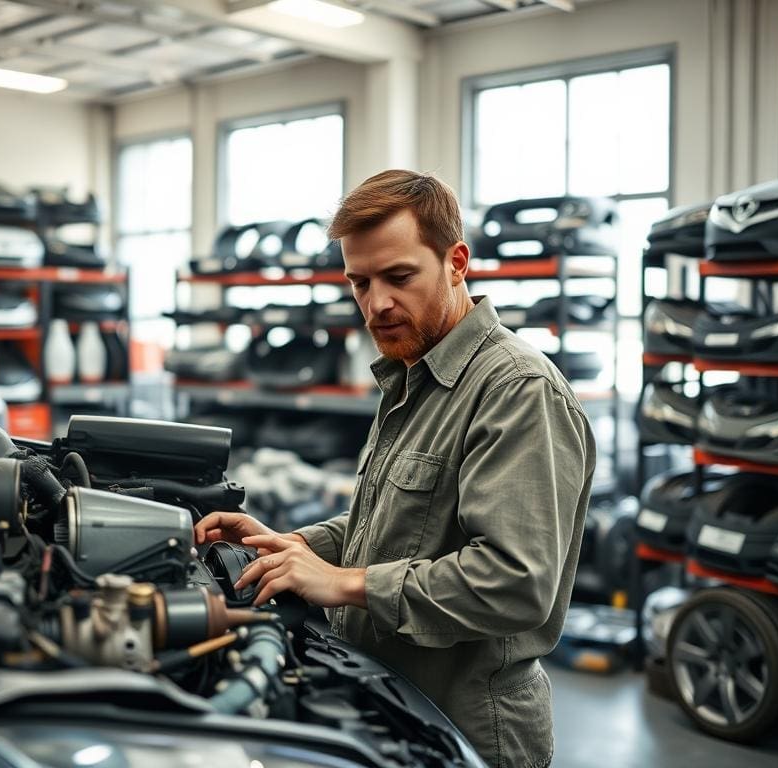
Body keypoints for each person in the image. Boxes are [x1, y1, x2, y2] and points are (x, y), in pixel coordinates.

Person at [195, 169, 595, 768]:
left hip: (466, 734)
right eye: (359, 282)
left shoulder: (517, 391)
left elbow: (516, 582)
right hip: (390, 701)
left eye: (399, 277)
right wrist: (294, 547)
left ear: (456, 261)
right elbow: (394, 524)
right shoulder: (411, 373)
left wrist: (346, 584)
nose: (376, 304)